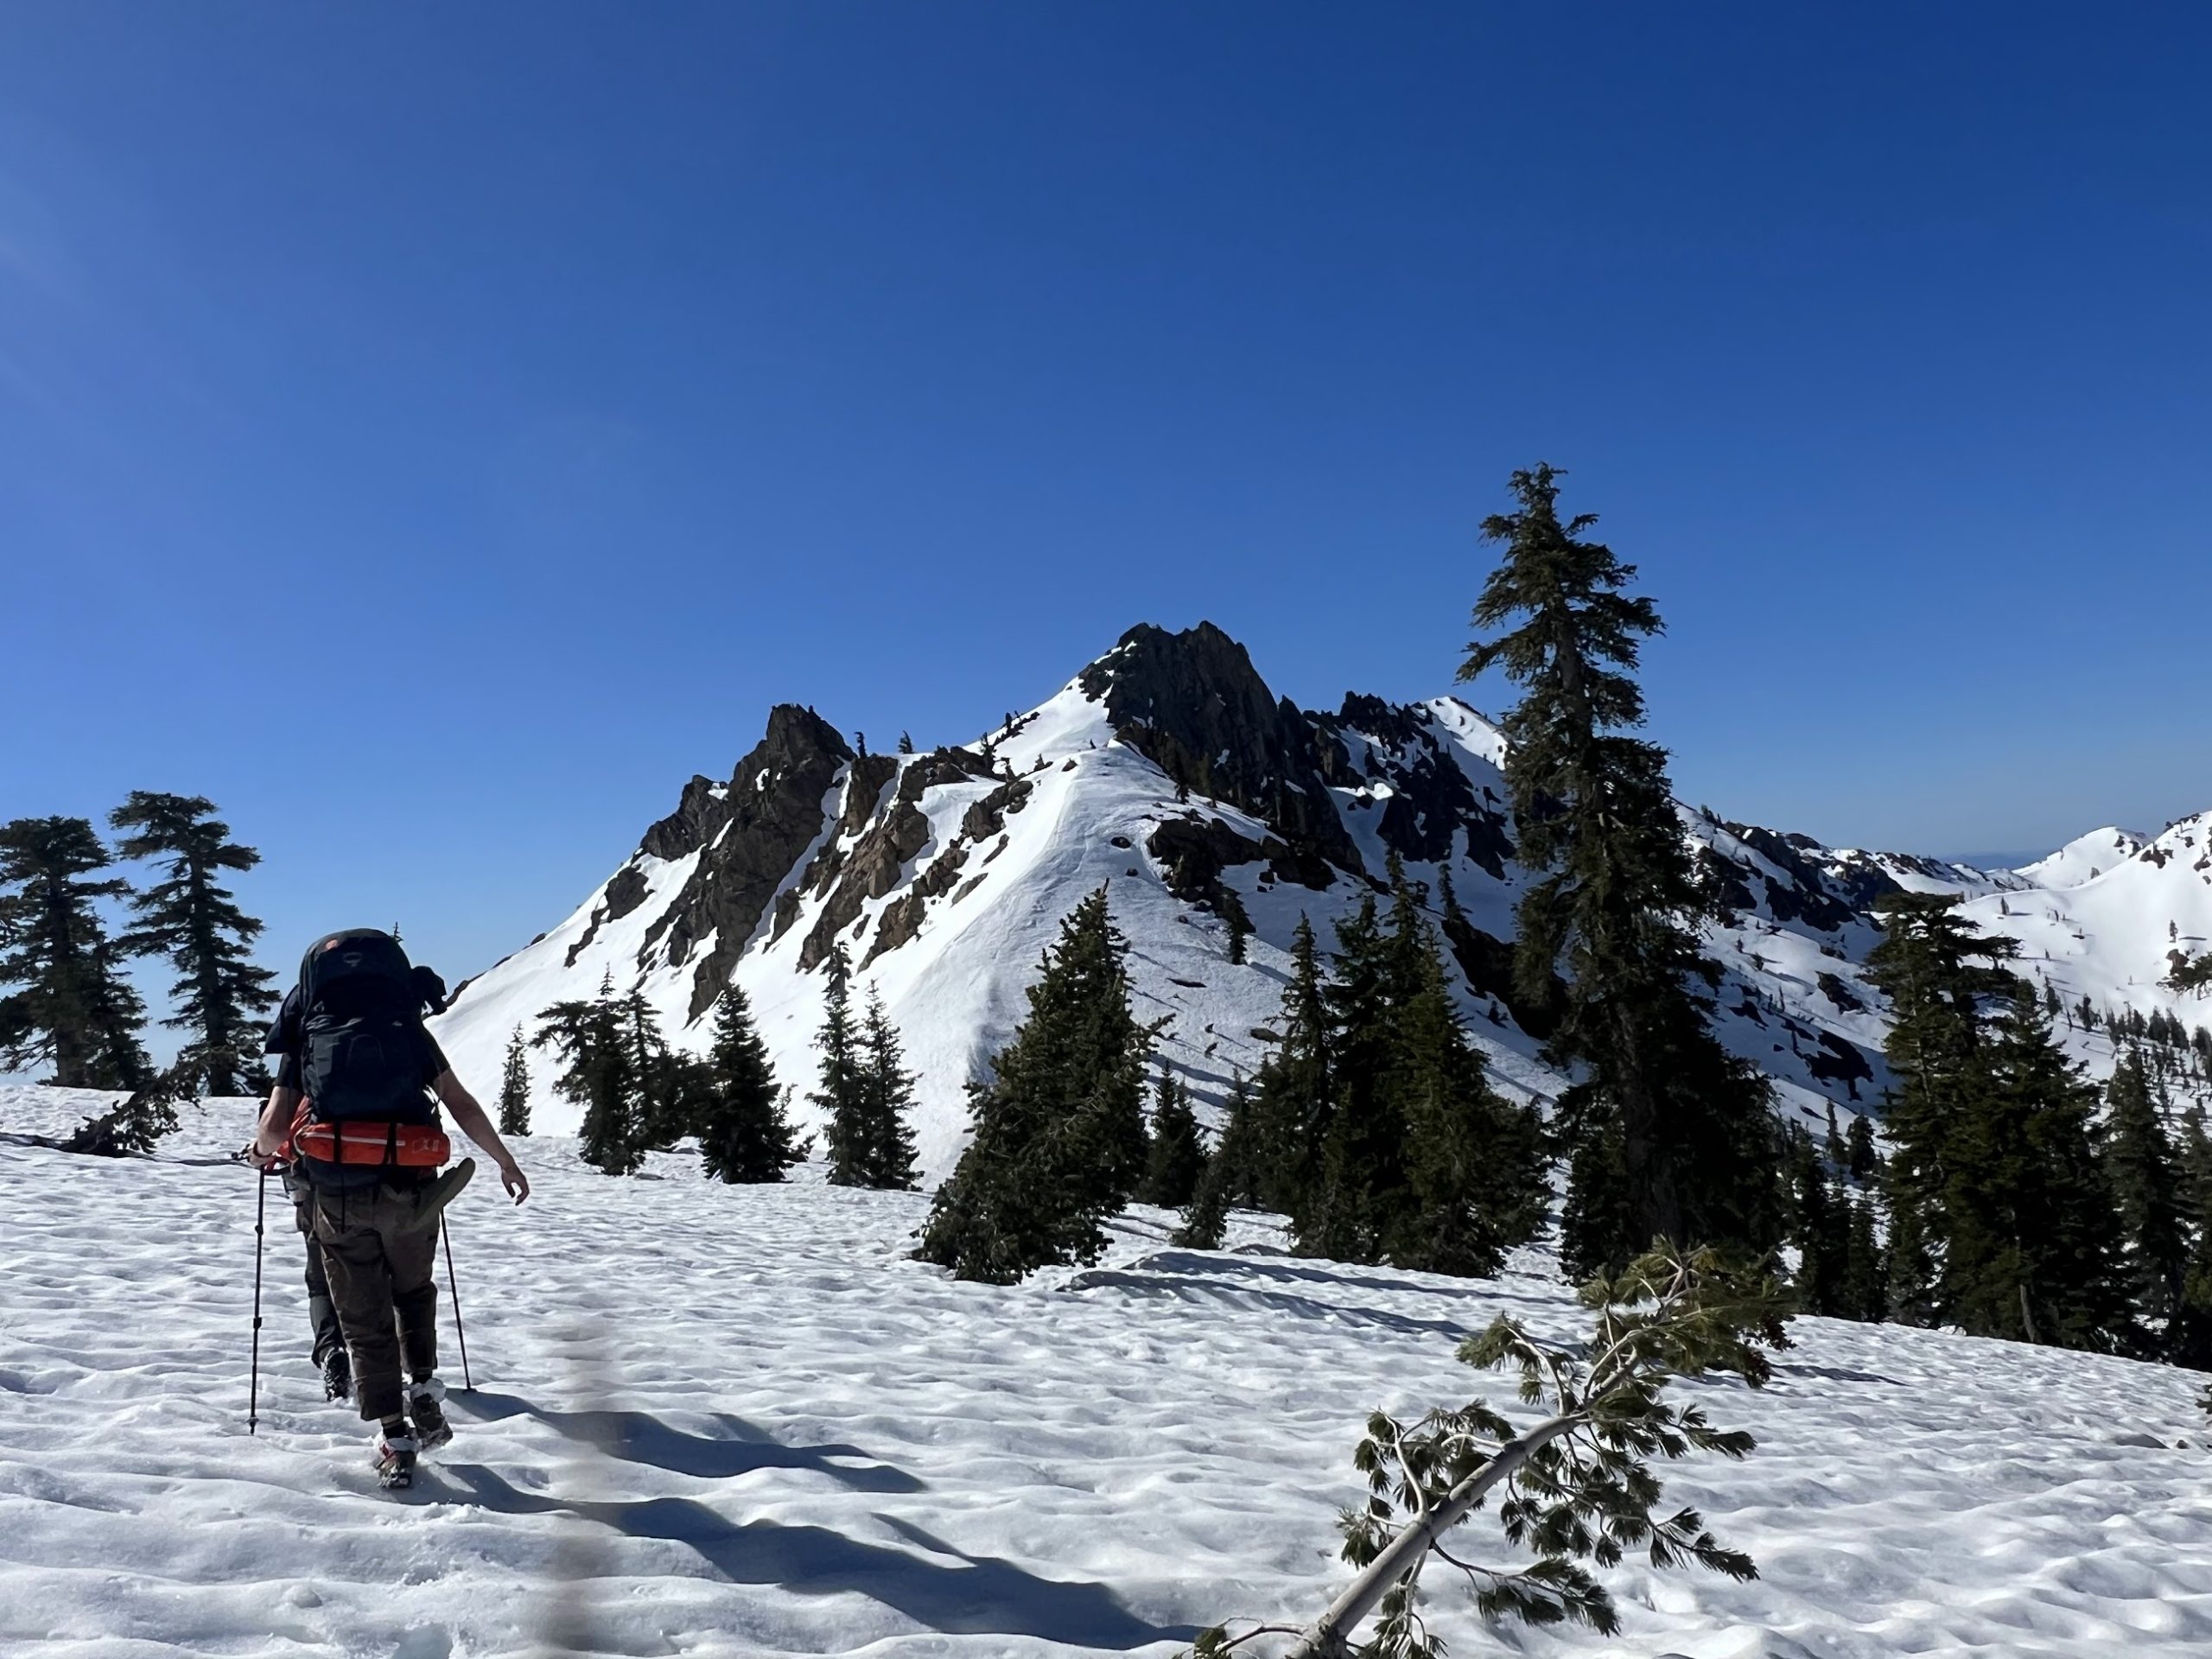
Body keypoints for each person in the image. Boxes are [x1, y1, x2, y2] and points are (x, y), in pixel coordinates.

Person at [252, 928, 528, 1488]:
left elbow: (277, 1126)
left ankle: (396, 1438)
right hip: (412, 1192)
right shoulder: (408, 1031)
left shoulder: (310, 1035)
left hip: (338, 1198)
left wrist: (259, 1152)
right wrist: (505, 1160)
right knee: (412, 1291)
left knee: (364, 1319)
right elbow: (460, 1103)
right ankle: (424, 1382)